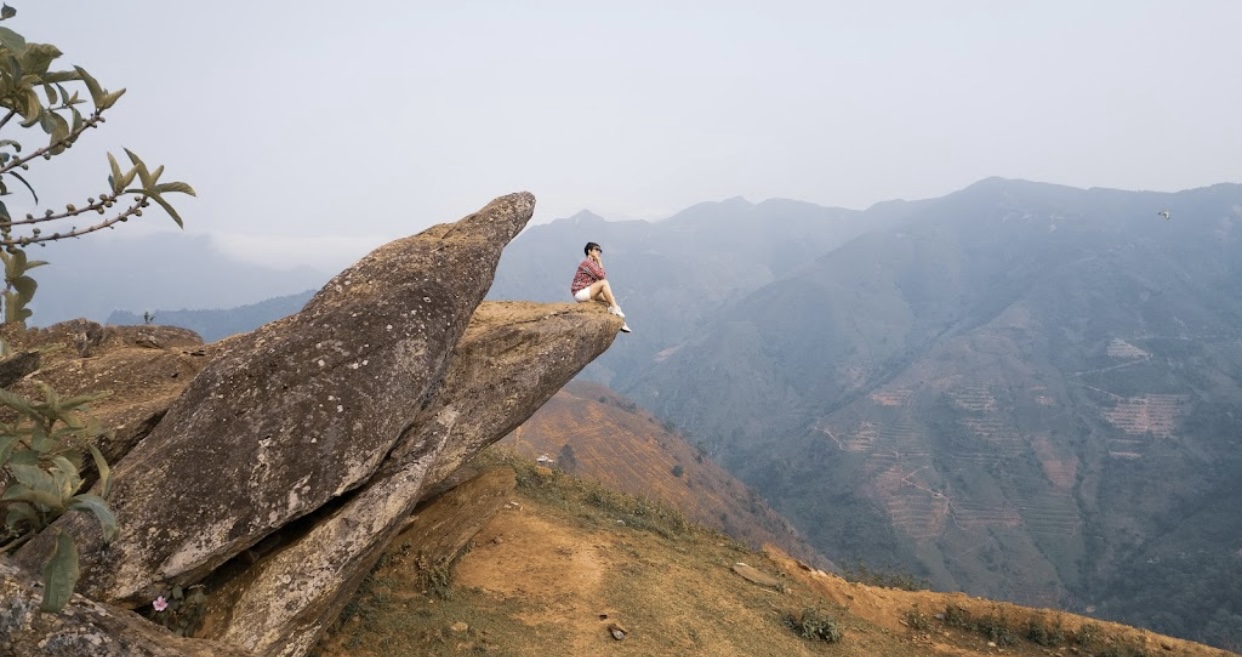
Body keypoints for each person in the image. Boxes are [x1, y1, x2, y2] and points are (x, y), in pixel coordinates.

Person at [571, 241, 631, 333]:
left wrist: (598, 262)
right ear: (589, 251)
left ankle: (621, 322)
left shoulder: (591, 264)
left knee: (610, 298)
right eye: (596, 249)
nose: (599, 252)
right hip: (580, 292)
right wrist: (600, 262)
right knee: (604, 283)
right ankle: (616, 309)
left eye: (600, 250)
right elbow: (602, 277)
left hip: (586, 291)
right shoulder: (587, 263)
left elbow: (600, 276)